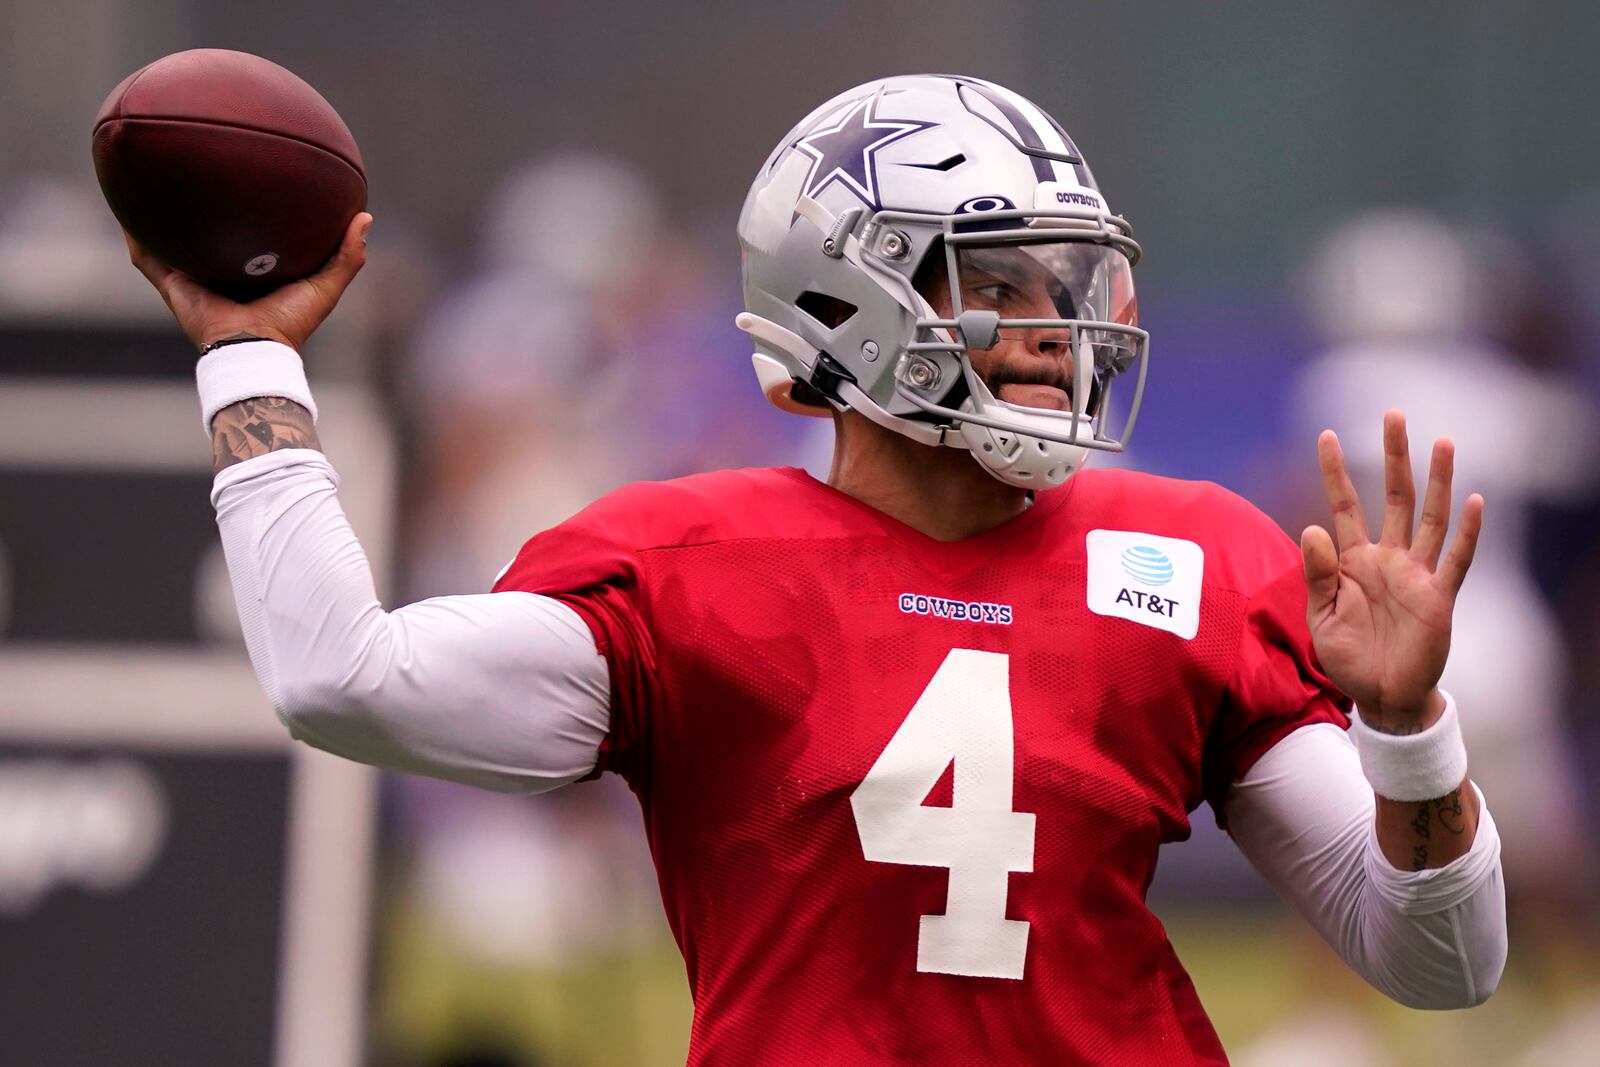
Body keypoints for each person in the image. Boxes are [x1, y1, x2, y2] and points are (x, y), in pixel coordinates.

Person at [123, 75, 1505, 1065]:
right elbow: (334, 678)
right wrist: (251, 355)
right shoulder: (692, 568)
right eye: (998, 286)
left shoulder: (1193, 558)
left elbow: (1441, 966)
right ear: (842, 307)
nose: (1054, 333)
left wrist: (1408, 731)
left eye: (1068, 288)